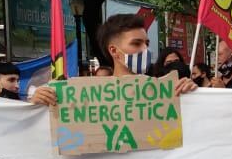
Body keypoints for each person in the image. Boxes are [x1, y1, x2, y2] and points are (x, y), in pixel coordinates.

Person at [31, 14, 197, 105]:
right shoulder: (85, 95)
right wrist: (38, 103)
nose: (145, 50)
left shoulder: (165, 89)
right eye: (136, 43)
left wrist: (193, 94)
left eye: (146, 43)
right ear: (114, 51)